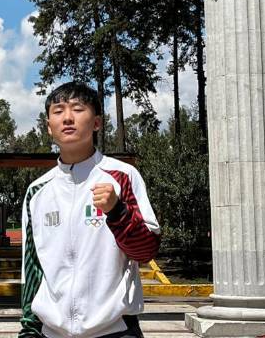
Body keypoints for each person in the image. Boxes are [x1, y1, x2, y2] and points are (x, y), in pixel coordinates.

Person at [19, 82, 160, 338]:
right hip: (51, 333)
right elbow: (32, 269)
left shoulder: (123, 176)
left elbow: (146, 251)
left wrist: (117, 211)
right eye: (58, 111)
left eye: (77, 109)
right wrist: (29, 330)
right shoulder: (37, 191)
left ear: (96, 123)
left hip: (116, 330)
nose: (68, 118)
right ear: (49, 126)